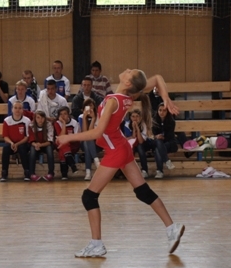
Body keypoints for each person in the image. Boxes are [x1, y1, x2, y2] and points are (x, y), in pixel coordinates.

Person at [56, 68, 184, 258]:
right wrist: (166, 99)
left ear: (128, 82)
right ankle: (172, 228)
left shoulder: (114, 101)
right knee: (143, 191)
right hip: (121, 146)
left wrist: (68, 138)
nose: (127, 70)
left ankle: (96, 244)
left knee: (89, 197)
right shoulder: (128, 95)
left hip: (116, 150)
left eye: (130, 72)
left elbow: (97, 133)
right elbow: (157, 78)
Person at [0, 100, 32, 182]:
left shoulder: (27, 121)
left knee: (22, 148)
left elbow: (27, 137)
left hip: (22, 143)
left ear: (22, 110)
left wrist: (17, 144)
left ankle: (27, 172)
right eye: (15, 108)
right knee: (5, 148)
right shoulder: (7, 121)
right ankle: (4, 173)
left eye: (20, 108)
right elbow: (5, 136)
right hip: (11, 143)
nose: (17, 110)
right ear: (12, 109)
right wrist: (11, 143)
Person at [124, 108, 157, 179]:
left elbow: (141, 141)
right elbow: (130, 138)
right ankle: (129, 171)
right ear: (130, 117)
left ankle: (144, 170)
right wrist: (134, 129)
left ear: (140, 117)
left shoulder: (143, 124)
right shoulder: (126, 124)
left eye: (137, 116)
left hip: (144, 144)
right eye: (133, 116)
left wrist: (137, 129)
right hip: (132, 144)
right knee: (129, 148)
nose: (135, 118)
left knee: (140, 146)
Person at [152, 102, 178, 177]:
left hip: (169, 143)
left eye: (164, 110)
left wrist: (163, 137)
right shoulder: (154, 121)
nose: (162, 112)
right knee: (158, 143)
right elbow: (152, 134)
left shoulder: (171, 121)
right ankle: (167, 161)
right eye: (160, 110)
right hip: (157, 142)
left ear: (167, 111)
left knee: (158, 149)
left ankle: (159, 171)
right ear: (157, 111)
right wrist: (156, 136)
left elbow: (170, 135)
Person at [28, 110, 55, 182]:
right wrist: (36, 145)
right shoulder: (31, 125)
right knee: (32, 151)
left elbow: (50, 141)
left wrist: (41, 145)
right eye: (38, 117)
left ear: (45, 118)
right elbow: (31, 140)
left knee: (49, 150)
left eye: (42, 118)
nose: (40, 120)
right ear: (35, 118)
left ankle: (51, 173)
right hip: (36, 144)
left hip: (46, 144)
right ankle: (31, 173)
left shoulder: (49, 125)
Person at [54, 107, 79, 180]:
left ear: (68, 115)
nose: (63, 116)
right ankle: (72, 165)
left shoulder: (74, 122)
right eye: (61, 114)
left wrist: (67, 139)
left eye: (65, 114)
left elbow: (76, 138)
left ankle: (64, 174)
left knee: (63, 147)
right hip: (62, 145)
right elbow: (61, 137)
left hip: (73, 144)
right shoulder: (57, 123)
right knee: (63, 145)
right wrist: (64, 123)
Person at [78, 97, 100, 181]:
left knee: (88, 142)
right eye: (87, 106)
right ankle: (96, 160)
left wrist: (93, 118)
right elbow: (85, 133)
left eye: (91, 105)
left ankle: (88, 172)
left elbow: (92, 134)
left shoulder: (98, 116)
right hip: (85, 141)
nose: (89, 108)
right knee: (87, 141)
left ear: (94, 106)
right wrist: (84, 118)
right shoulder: (81, 117)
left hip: (97, 143)